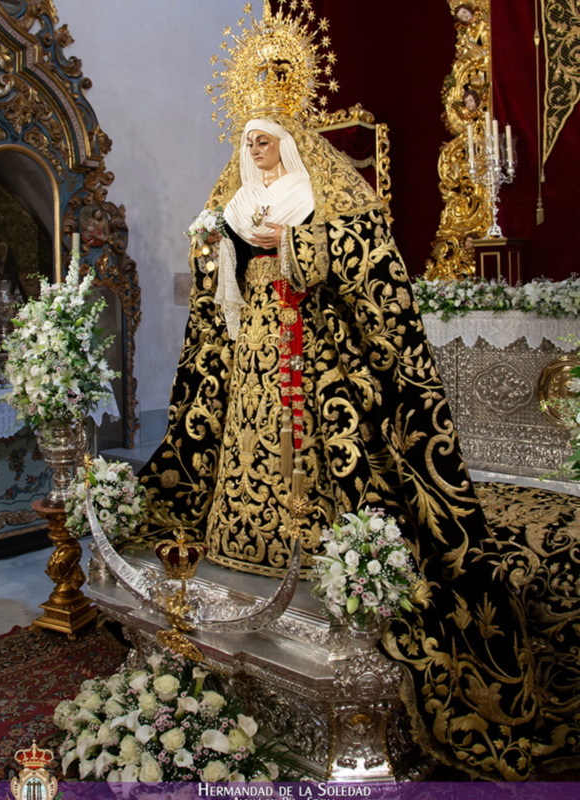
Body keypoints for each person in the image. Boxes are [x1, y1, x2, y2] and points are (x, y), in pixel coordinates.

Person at [133, 1, 579, 781]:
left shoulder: (331, 184)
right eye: (251, 143)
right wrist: (217, 247)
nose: (260, 154)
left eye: (269, 142)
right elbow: (212, 270)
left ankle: (320, 556)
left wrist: (296, 243)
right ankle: (247, 547)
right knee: (244, 464)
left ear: (291, 133)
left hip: (314, 365)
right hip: (251, 368)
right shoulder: (231, 190)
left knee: (316, 464)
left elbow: (371, 260)